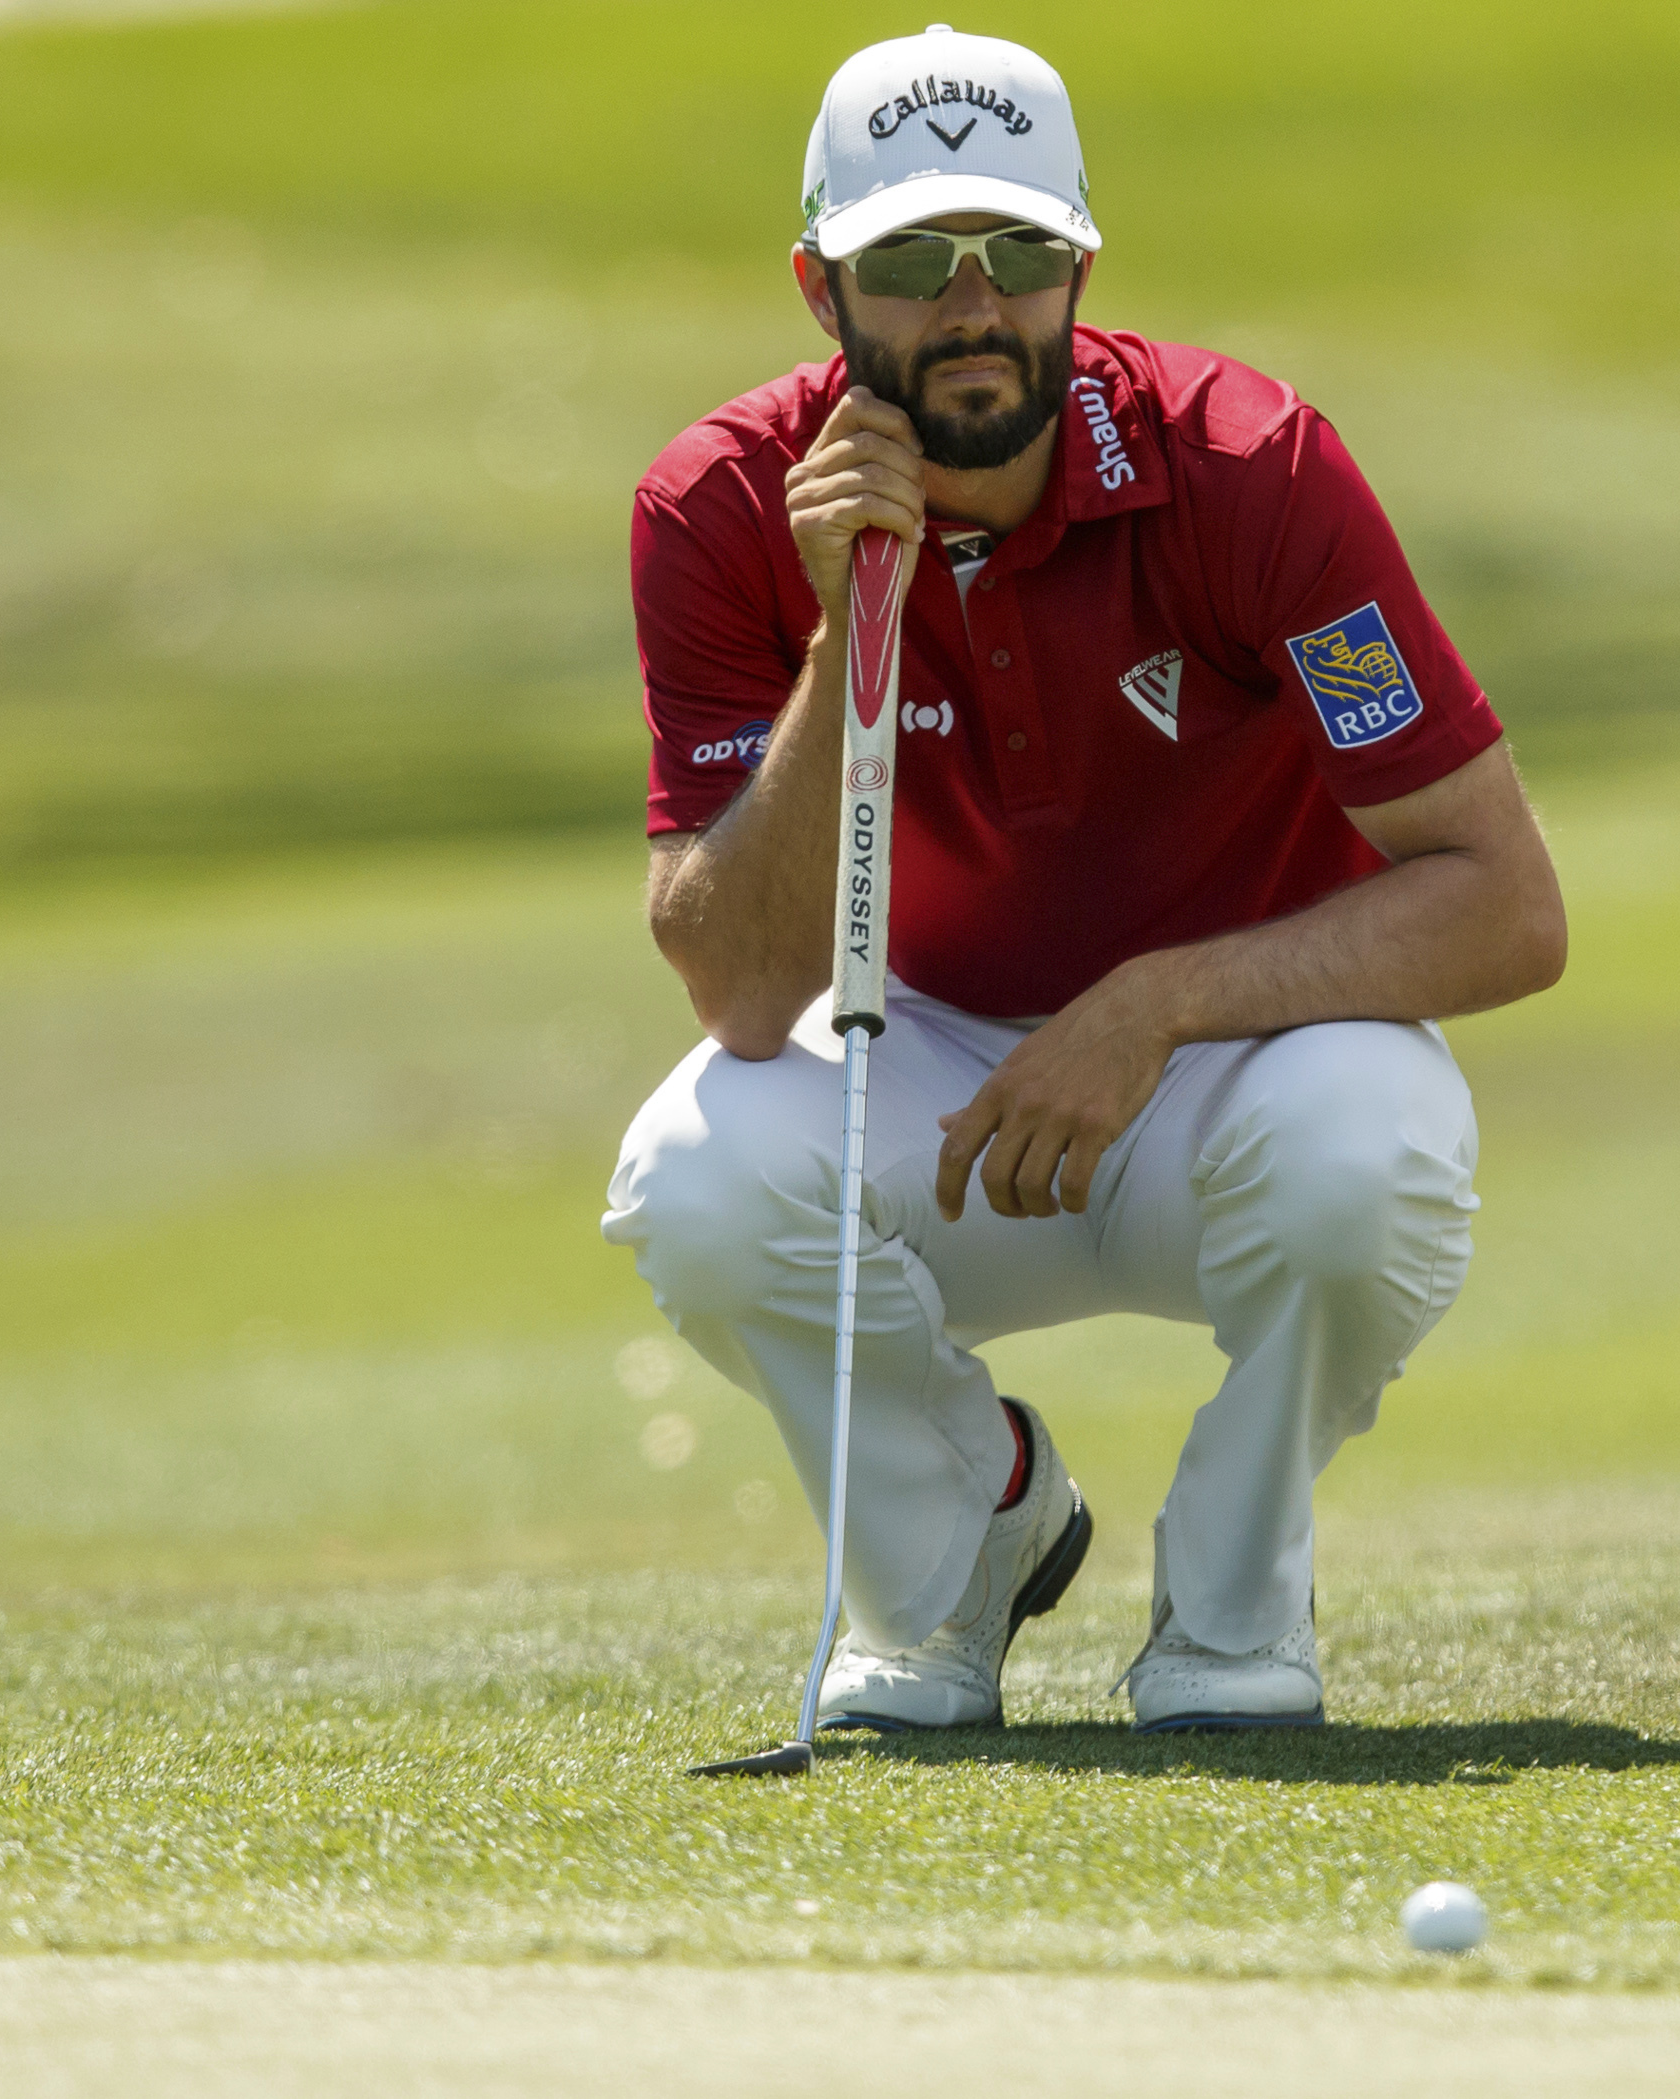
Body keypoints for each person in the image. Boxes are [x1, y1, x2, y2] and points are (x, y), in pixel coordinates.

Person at [604, 25, 1565, 1734]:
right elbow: (744, 991)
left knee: (1373, 1143)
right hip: (931, 1077)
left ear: (1080, 271)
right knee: (698, 1173)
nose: (974, 308)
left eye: (1019, 254)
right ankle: (956, 1546)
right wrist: (842, 623)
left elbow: (1503, 905)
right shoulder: (720, 509)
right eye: (914, 262)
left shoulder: (1250, 469)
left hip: (1240, 1074)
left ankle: (1232, 1614)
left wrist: (1161, 1003)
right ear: (823, 290)